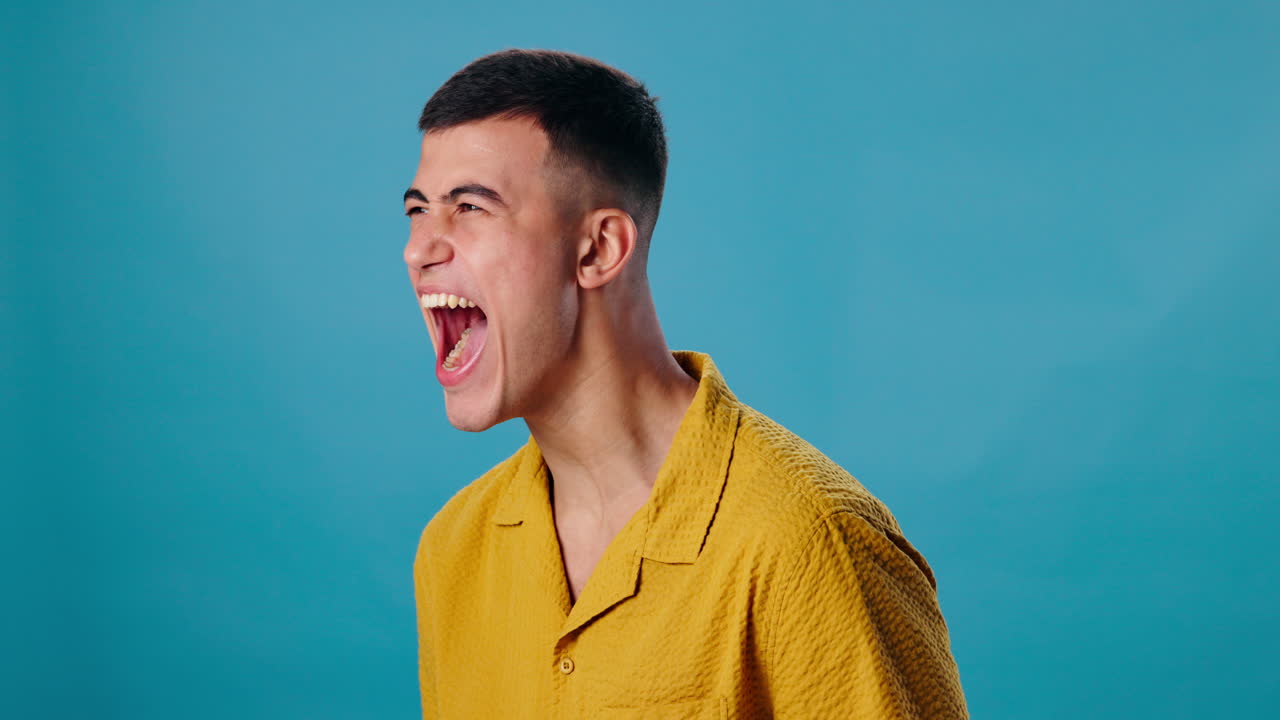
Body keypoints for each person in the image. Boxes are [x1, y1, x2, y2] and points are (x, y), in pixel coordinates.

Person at [406, 48, 968, 719]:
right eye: (418, 210)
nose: (419, 248)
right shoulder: (453, 549)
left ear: (598, 249)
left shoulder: (810, 541)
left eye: (469, 207)